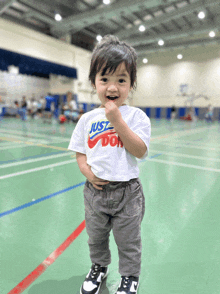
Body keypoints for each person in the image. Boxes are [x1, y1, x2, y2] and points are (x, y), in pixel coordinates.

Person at [68, 35, 151, 294]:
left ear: (131, 84)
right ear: (94, 82)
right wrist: (87, 173)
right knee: (96, 238)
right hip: (95, 193)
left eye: (121, 80)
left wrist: (117, 121)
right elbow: (80, 152)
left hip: (127, 193)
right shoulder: (87, 119)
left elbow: (140, 150)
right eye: (105, 79)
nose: (112, 87)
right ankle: (99, 267)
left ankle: (129, 277)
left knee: (128, 241)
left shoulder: (136, 116)